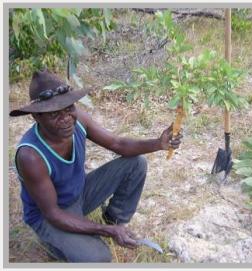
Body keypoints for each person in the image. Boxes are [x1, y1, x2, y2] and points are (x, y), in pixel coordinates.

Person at [10, 70, 182, 262]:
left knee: (136, 163)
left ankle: (114, 219)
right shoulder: (31, 156)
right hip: (51, 215)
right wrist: (106, 231)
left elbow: (118, 144)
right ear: (36, 117)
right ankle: (53, 241)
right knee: (98, 258)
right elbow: (53, 214)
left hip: (79, 193)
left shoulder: (78, 119)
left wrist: (158, 144)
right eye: (54, 114)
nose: (66, 118)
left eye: (68, 108)